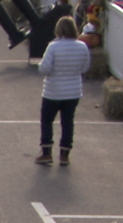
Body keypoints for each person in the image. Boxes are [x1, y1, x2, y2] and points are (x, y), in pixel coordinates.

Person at [36, 16, 91, 166]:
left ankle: (46, 152)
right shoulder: (82, 46)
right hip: (73, 92)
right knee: (68, 122)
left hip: (53, 91)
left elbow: (44, 68)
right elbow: (85, 67)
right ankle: (65, 154)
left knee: (47, 121)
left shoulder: (53, 47)